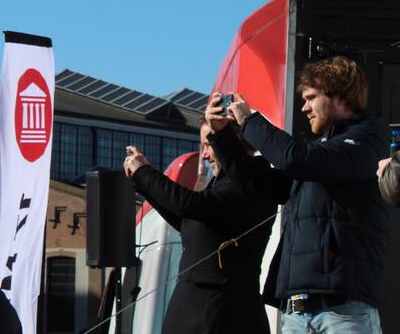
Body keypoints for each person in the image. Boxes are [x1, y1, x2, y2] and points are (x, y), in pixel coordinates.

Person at [207, 56, 388, 334]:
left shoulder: (366, 141)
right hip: (296, 313)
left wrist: (250, 121)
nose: (304, 108)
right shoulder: (319, 154)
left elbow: (295, 159)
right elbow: (263, 184)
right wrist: (221, 137)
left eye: (311, 97)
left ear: (340, 96)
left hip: (344, 313)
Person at [123, 117, 276, 334]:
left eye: (207, 145)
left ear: (231, 141)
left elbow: (192, 205)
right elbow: (190, 221)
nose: (203, 155)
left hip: (223, 309)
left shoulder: (251, 183)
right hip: (199, 305)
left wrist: (145, 173)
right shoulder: (221, 184)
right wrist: (144, 185)